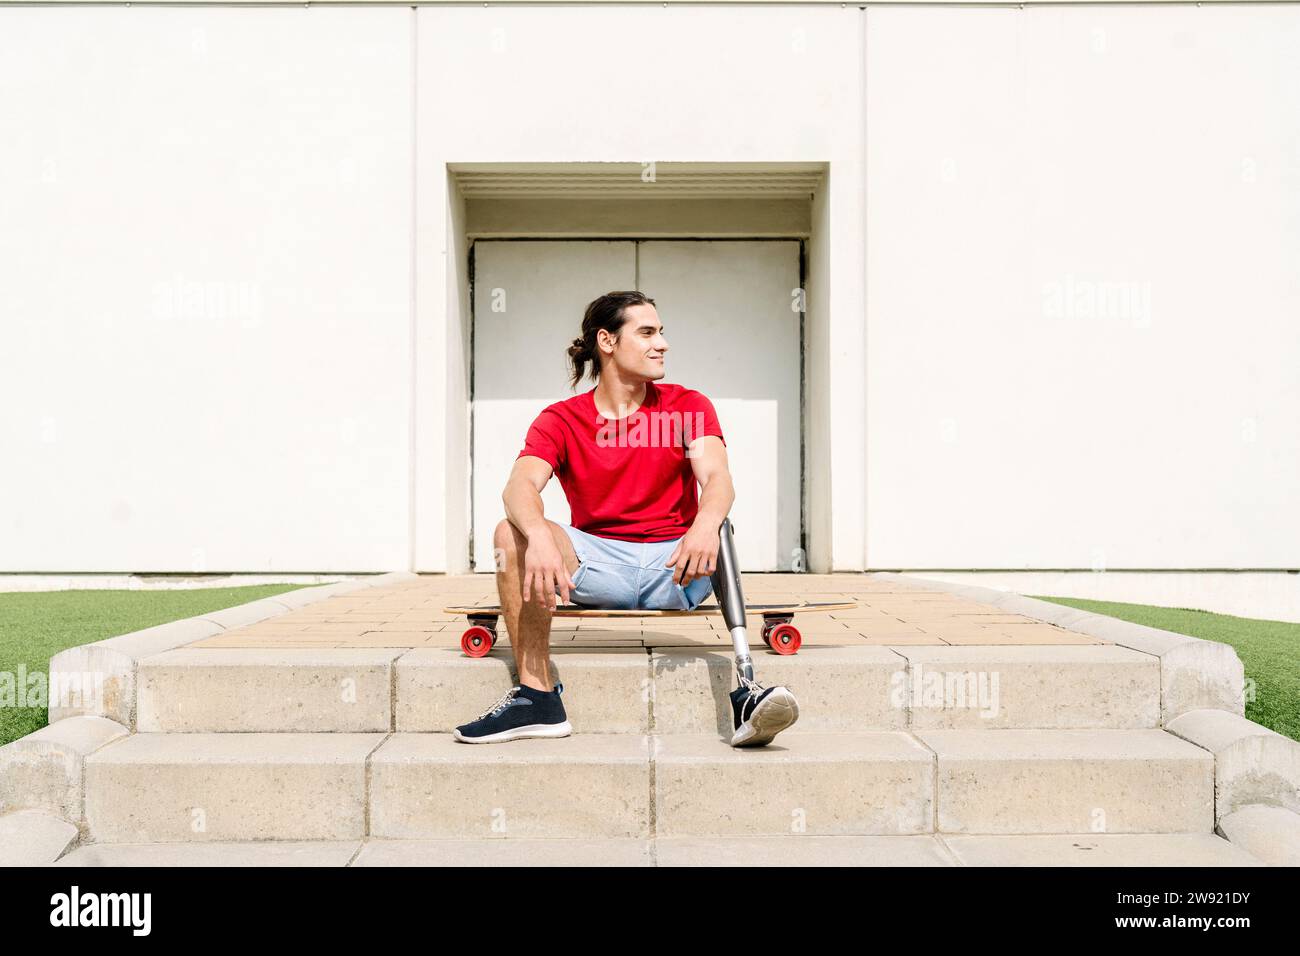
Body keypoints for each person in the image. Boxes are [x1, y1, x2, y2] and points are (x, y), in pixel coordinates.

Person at [453, 291, 799, 747]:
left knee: (720, 523)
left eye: (662, 332)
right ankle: (536, 700)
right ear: (607, 341)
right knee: (509, 531)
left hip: (677, 565)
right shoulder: (561, 419)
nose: (663, 344)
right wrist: (536, 533)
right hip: (597, 566)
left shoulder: (687, 405)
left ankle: (746, 692)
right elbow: (518, 487)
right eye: (648, 332)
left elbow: (718, 478)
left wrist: (702, 525)